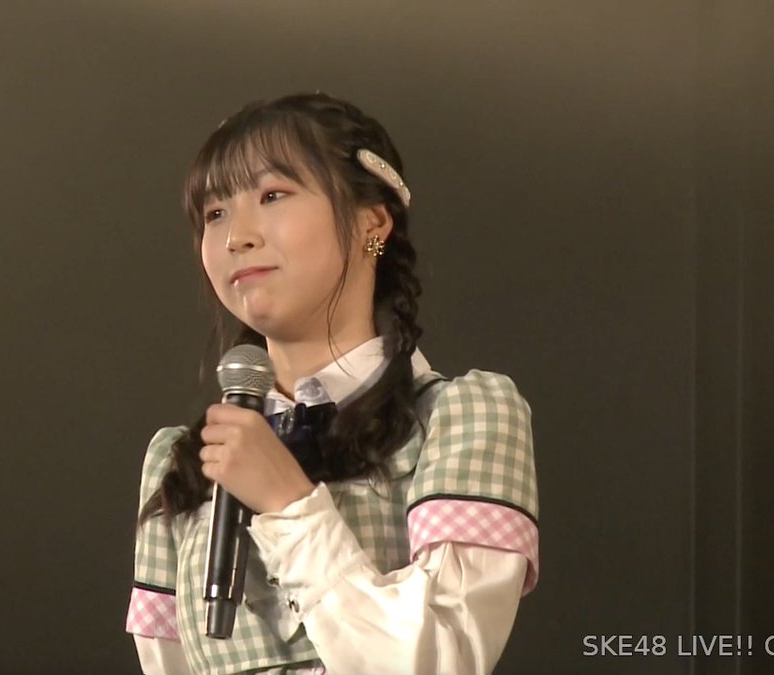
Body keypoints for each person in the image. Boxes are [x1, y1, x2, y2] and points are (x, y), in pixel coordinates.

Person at [125, 92, 538, 675]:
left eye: (272, 195)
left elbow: (441, 662)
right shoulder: (182, 462)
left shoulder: (462, 418)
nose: (236, 236)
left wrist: (289, 506)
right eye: (214, 213)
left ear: (372, 220)